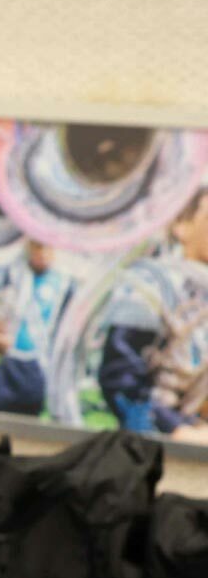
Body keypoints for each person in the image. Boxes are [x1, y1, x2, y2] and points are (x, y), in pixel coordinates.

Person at [97, 185, 208, 438]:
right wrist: (176, 429)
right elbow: (121, 379)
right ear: (182, 225)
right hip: (152, 447)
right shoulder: (149, 281)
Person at [0, 239, 75, 416]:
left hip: (36, 366)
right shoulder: (9, 274)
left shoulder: (64, 284)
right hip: (3, 364)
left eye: (47, 246)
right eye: (37, 246)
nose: (42, 253)